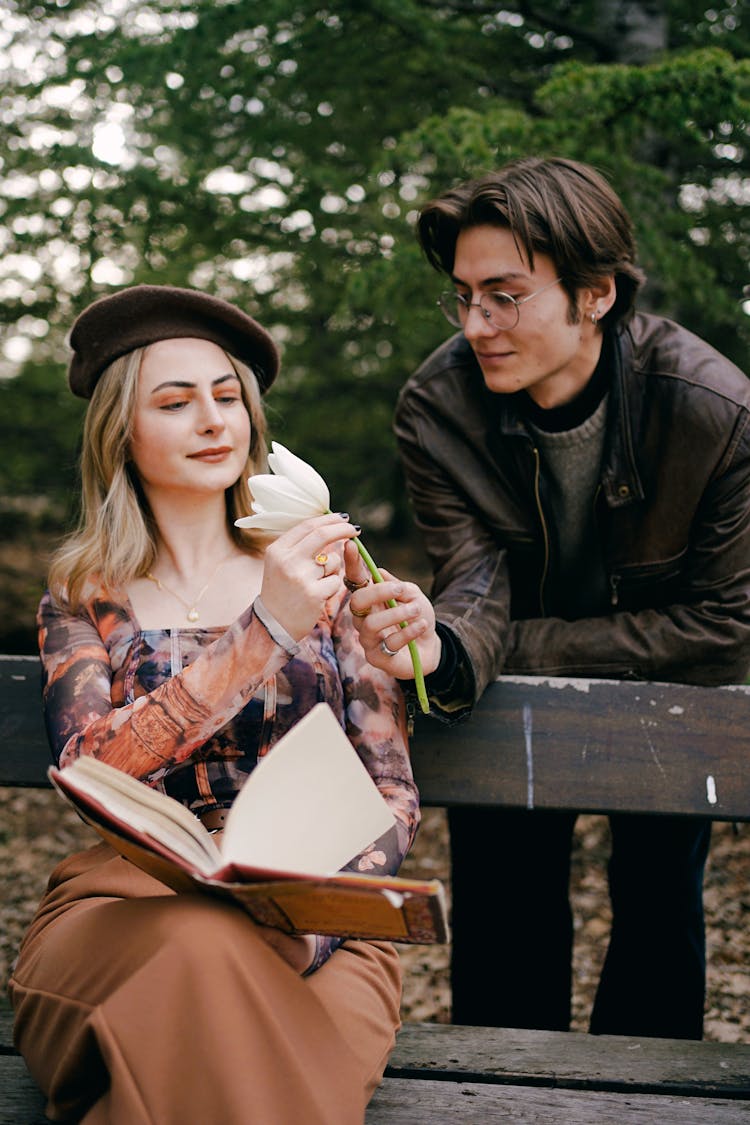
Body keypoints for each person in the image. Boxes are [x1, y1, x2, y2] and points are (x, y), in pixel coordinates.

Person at [344, 156, 750, 1040]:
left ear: (596, 293)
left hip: (664, 685)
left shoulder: (713, 409)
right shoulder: (438, 405)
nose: (477, 324)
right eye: (462, 296)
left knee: (657, 896)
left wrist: (520, 646)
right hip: (499, 685)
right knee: (504, 903)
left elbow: (726, 623)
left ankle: (647, 1105)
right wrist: (445, 648)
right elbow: (477, 576)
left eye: (506, 294)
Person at [8, 284, 420, 1124]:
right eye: (175, 400)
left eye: (227, 396)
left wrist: (303, 920)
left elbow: (391, 792)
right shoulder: (86, 594)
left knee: (206, 982)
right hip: (123, 908)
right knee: (201, 942)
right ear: (121, 429)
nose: (212, 420)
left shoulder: (328, 575)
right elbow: (94, 765)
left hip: (318, 921)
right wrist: (265, 628)